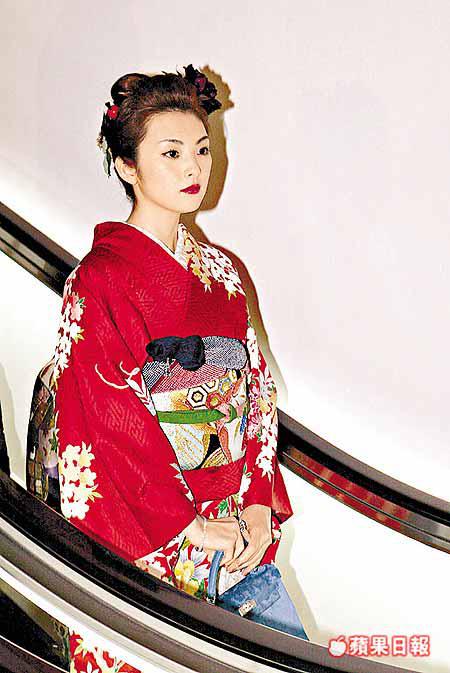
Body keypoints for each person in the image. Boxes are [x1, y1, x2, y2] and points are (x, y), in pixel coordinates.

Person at [50, 64, 309, 672]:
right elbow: (104, 422)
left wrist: (257, 502)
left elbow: (256, 392)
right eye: (171, 153)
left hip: (234, 523)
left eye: (201, 149)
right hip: (159, 534)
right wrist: (189, 525)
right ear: (127, 166)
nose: (194, 167)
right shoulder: (100, 280)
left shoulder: (224, 271)